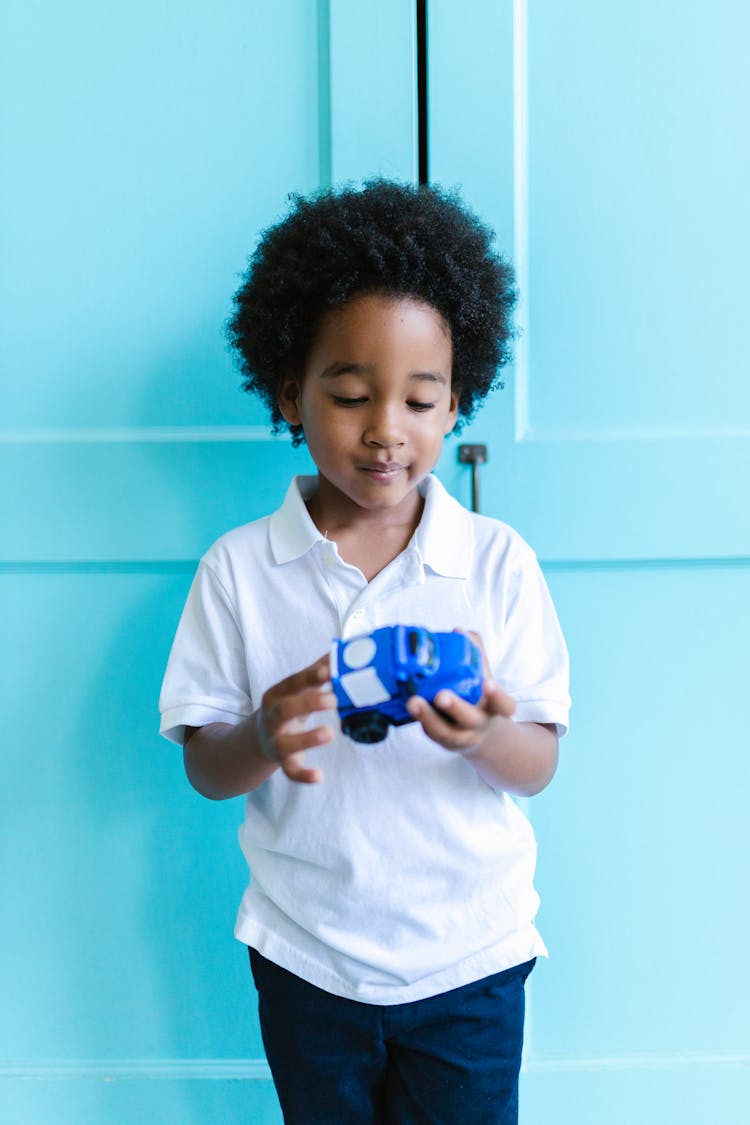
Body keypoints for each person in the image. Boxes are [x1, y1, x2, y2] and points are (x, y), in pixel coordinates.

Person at [159, 180, 570, 1124]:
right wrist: (263, 731)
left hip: (471, 956)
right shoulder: (239, 570)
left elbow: (539, 761)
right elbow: (207, 768)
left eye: (421, 400)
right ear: (287, 392)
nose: (387, 428)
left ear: (455, 400)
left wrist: (486, 735)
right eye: (350, 395)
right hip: (307, 955)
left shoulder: (496, 562)